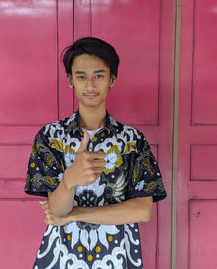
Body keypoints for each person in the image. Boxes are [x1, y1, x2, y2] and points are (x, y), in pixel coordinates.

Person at [24, 37, 167, 269]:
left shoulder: (132, 141)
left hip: (118, 258)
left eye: (99, 76)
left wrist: (74, 214)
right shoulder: (50, 137)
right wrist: (69, 180)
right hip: (63, 257)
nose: (90, 84)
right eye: (81, 76)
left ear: (112, 79)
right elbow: (58, 209)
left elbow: (142, 210)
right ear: (70, 80)